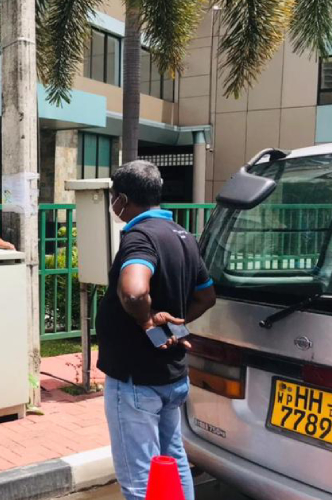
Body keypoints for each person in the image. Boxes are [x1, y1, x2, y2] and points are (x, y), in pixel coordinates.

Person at [97, 161, 216, 500]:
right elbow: (207, 296)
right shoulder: (183, 236)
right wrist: (179, 323)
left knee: (140, 478)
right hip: (173, 377)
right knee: (173, 461)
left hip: (137, 379)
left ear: (120, 199)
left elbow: (134, 291)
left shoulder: (140, 238)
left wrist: (146, 320)